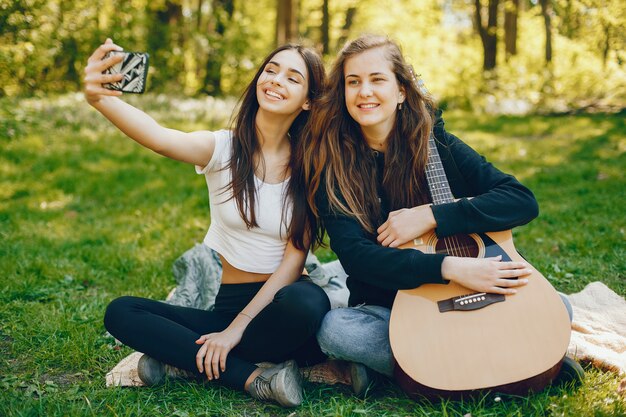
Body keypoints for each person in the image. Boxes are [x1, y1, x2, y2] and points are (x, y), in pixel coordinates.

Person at [301, 34, 580, 397]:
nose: (364, 91)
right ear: (343, 93)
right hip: (400, 309)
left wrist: (432, 215)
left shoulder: (436, 142)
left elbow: (521, 201)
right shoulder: (333, 167)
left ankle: (435, 370)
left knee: (559, 305)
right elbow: (356, 257)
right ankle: (517, 359)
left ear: (402, 91)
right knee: (337, 329)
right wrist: (450, 268)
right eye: (353, 82)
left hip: (478, 283)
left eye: (377, 79)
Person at [85, 38, 330, 407]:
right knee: (121, 311)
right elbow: (160, 138)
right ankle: (254, 378)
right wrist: (102, 99)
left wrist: (234, 331)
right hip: (231, 302)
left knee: (307, 302)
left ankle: (184, 363)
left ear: (309, 100)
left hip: (283, 307)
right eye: (271, 70)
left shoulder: (313, 165)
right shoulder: (224, 149)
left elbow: (294, 261)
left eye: (293, 78)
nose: (276, 80)